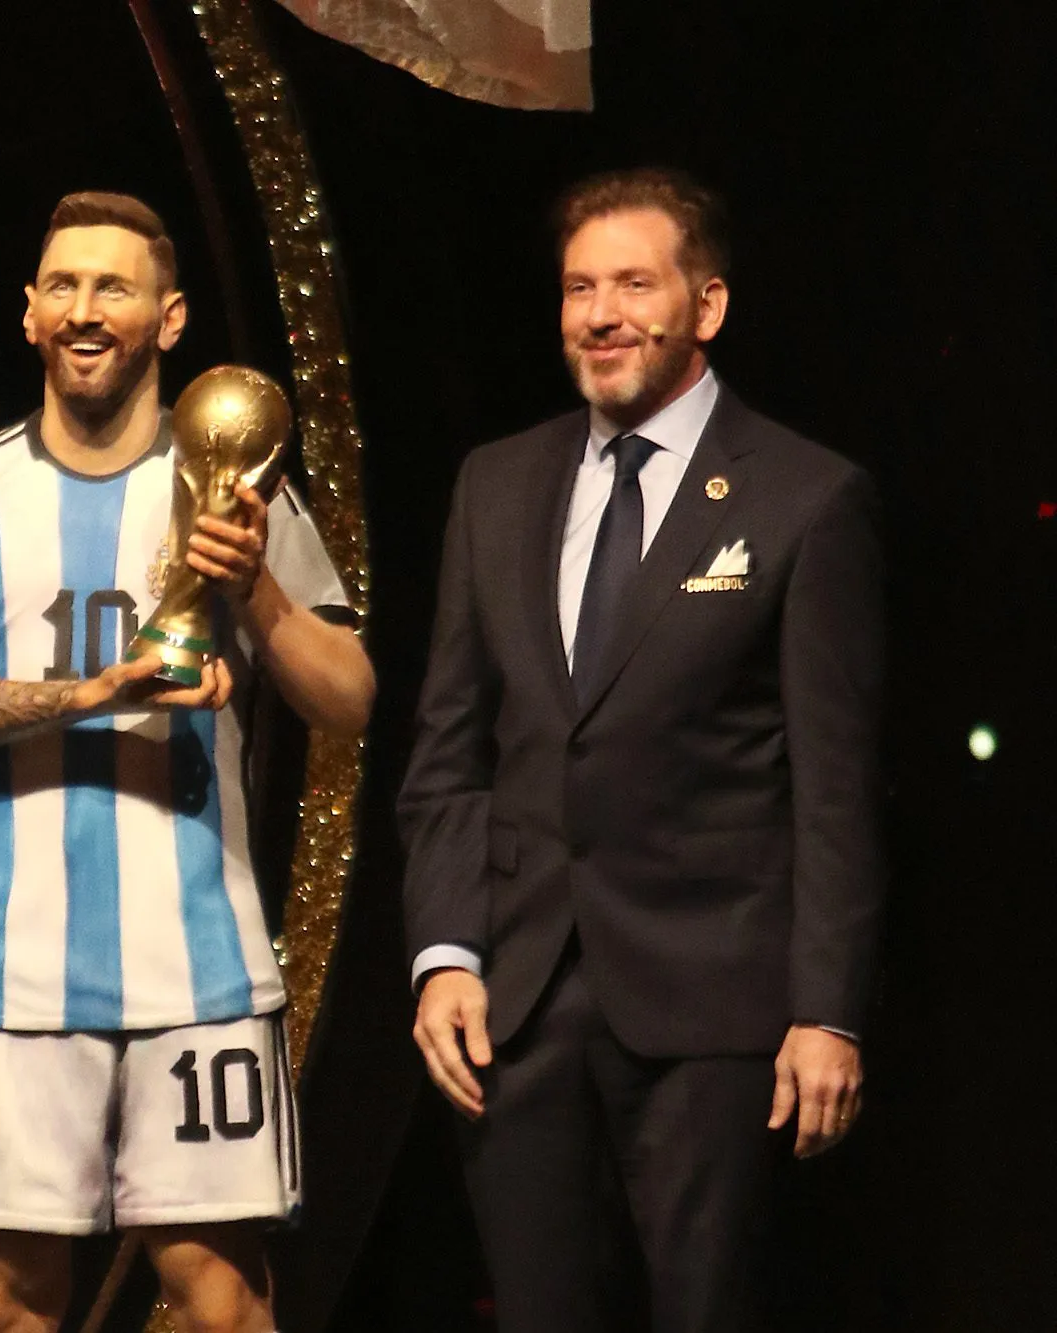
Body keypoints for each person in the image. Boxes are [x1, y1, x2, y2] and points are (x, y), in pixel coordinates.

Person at [398, 168, 887, 1330]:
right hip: (511, 1009)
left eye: (631, 282)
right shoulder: (496, 482)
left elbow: (833, 788)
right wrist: (444, 954)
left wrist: (827, 1011)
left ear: (704, 307)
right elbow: (448, 754)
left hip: (711, 1012)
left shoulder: (805, 498)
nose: (599, 312)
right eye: (577, 287)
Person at [0, 192, 375, 1333]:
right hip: (9, 976)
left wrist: (250, 582)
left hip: (196, 970)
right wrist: (103, 688)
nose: (84, 310)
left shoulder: (237, 495)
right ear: (26, 317)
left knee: (216, 1296)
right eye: (60, 285)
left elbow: (347, 698)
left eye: (112, 287)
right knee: (4, 1303)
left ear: (169, 316)